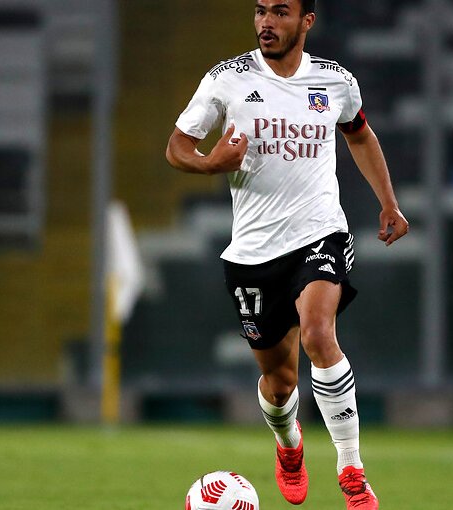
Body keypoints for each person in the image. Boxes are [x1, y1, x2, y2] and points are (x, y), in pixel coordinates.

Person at [165, 1, 409, 508]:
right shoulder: (226, 79)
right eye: (260, 11)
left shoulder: (335, 81)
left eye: (279, 11)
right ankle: (290, 446)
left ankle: (352, 472)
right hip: (252, 252)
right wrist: (211, 164)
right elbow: (177, 146)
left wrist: (388, 201)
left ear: (306, 22)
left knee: (320, 333)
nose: (265, 22)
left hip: (320, 232)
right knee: (279, 382)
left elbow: (360, 134)